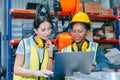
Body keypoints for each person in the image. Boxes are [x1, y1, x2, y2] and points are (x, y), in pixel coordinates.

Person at [13, 15, 53, 80]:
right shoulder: (24, 44)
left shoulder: (47, 46)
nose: (47, 33)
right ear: (36, 31)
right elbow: (16, 69)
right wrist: (36, 72)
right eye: (43, 30)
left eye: (49, 29)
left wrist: (50, 56)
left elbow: (49, 72)